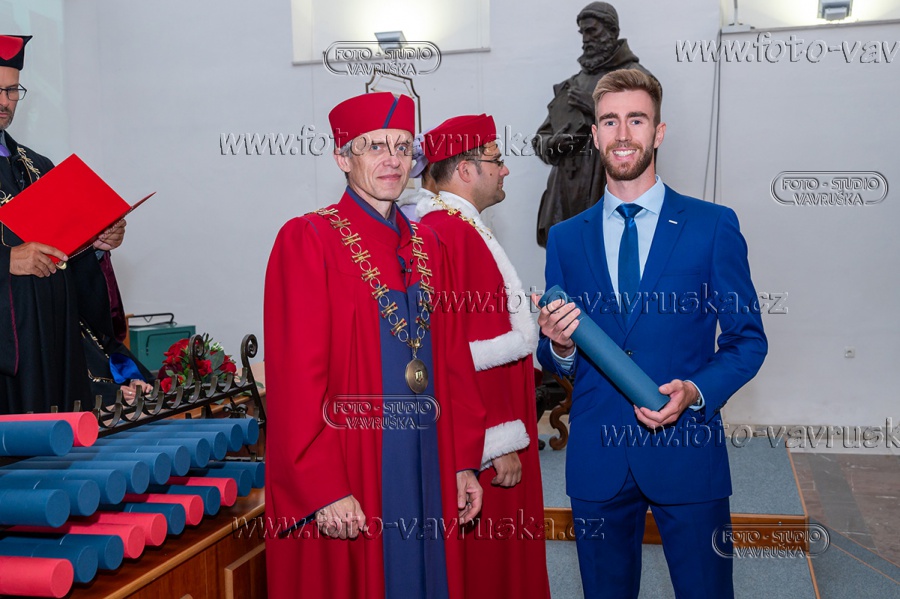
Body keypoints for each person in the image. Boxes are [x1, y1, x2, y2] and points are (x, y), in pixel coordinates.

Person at [533, 69, 767, 598]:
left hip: (687, 450)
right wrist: (560, 346)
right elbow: (558, 353)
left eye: (636, 120)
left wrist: (695, 391)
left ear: (658, 132)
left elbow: (748, 340)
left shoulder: (712, 226)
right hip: (598, 457)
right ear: (595, 135)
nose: (622, 134)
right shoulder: (567, 238)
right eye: (609, 121)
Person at [264, 92, 487, 599]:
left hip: (429, 455)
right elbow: (295, 379)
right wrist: (324, 486)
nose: (392, 160)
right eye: (374, 147)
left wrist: (462, 461)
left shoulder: (431, 245)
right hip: (355, 460)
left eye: (403, 147)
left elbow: (453, 359)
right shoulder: (309, 240)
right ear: (343, 158)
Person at [416, 114, 551, 599]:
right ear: (465, 169)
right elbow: (459, 354)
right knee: (494, 568)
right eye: (497, 159)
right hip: (487, 441)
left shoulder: (458, 228)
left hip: (488, 431)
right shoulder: (450, 234)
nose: (505, 170)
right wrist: (496, 442)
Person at [0, 34, 126, 414]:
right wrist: (6, 260)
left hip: (54, 345)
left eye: (12, 90)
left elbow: (65, 253)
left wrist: (94, 243)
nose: (5, 101)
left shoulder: (39, 167)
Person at [532, 2, 656, 247]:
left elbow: (645, 135)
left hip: (606, 183)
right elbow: (541, 137)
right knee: (567, 261)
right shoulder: (572, 84)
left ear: (612, 31)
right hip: (566, 191)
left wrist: (596, 108)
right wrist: (554, 143)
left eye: (592, 31)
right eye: (583, 33)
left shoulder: (637, 78)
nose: (585, 39)